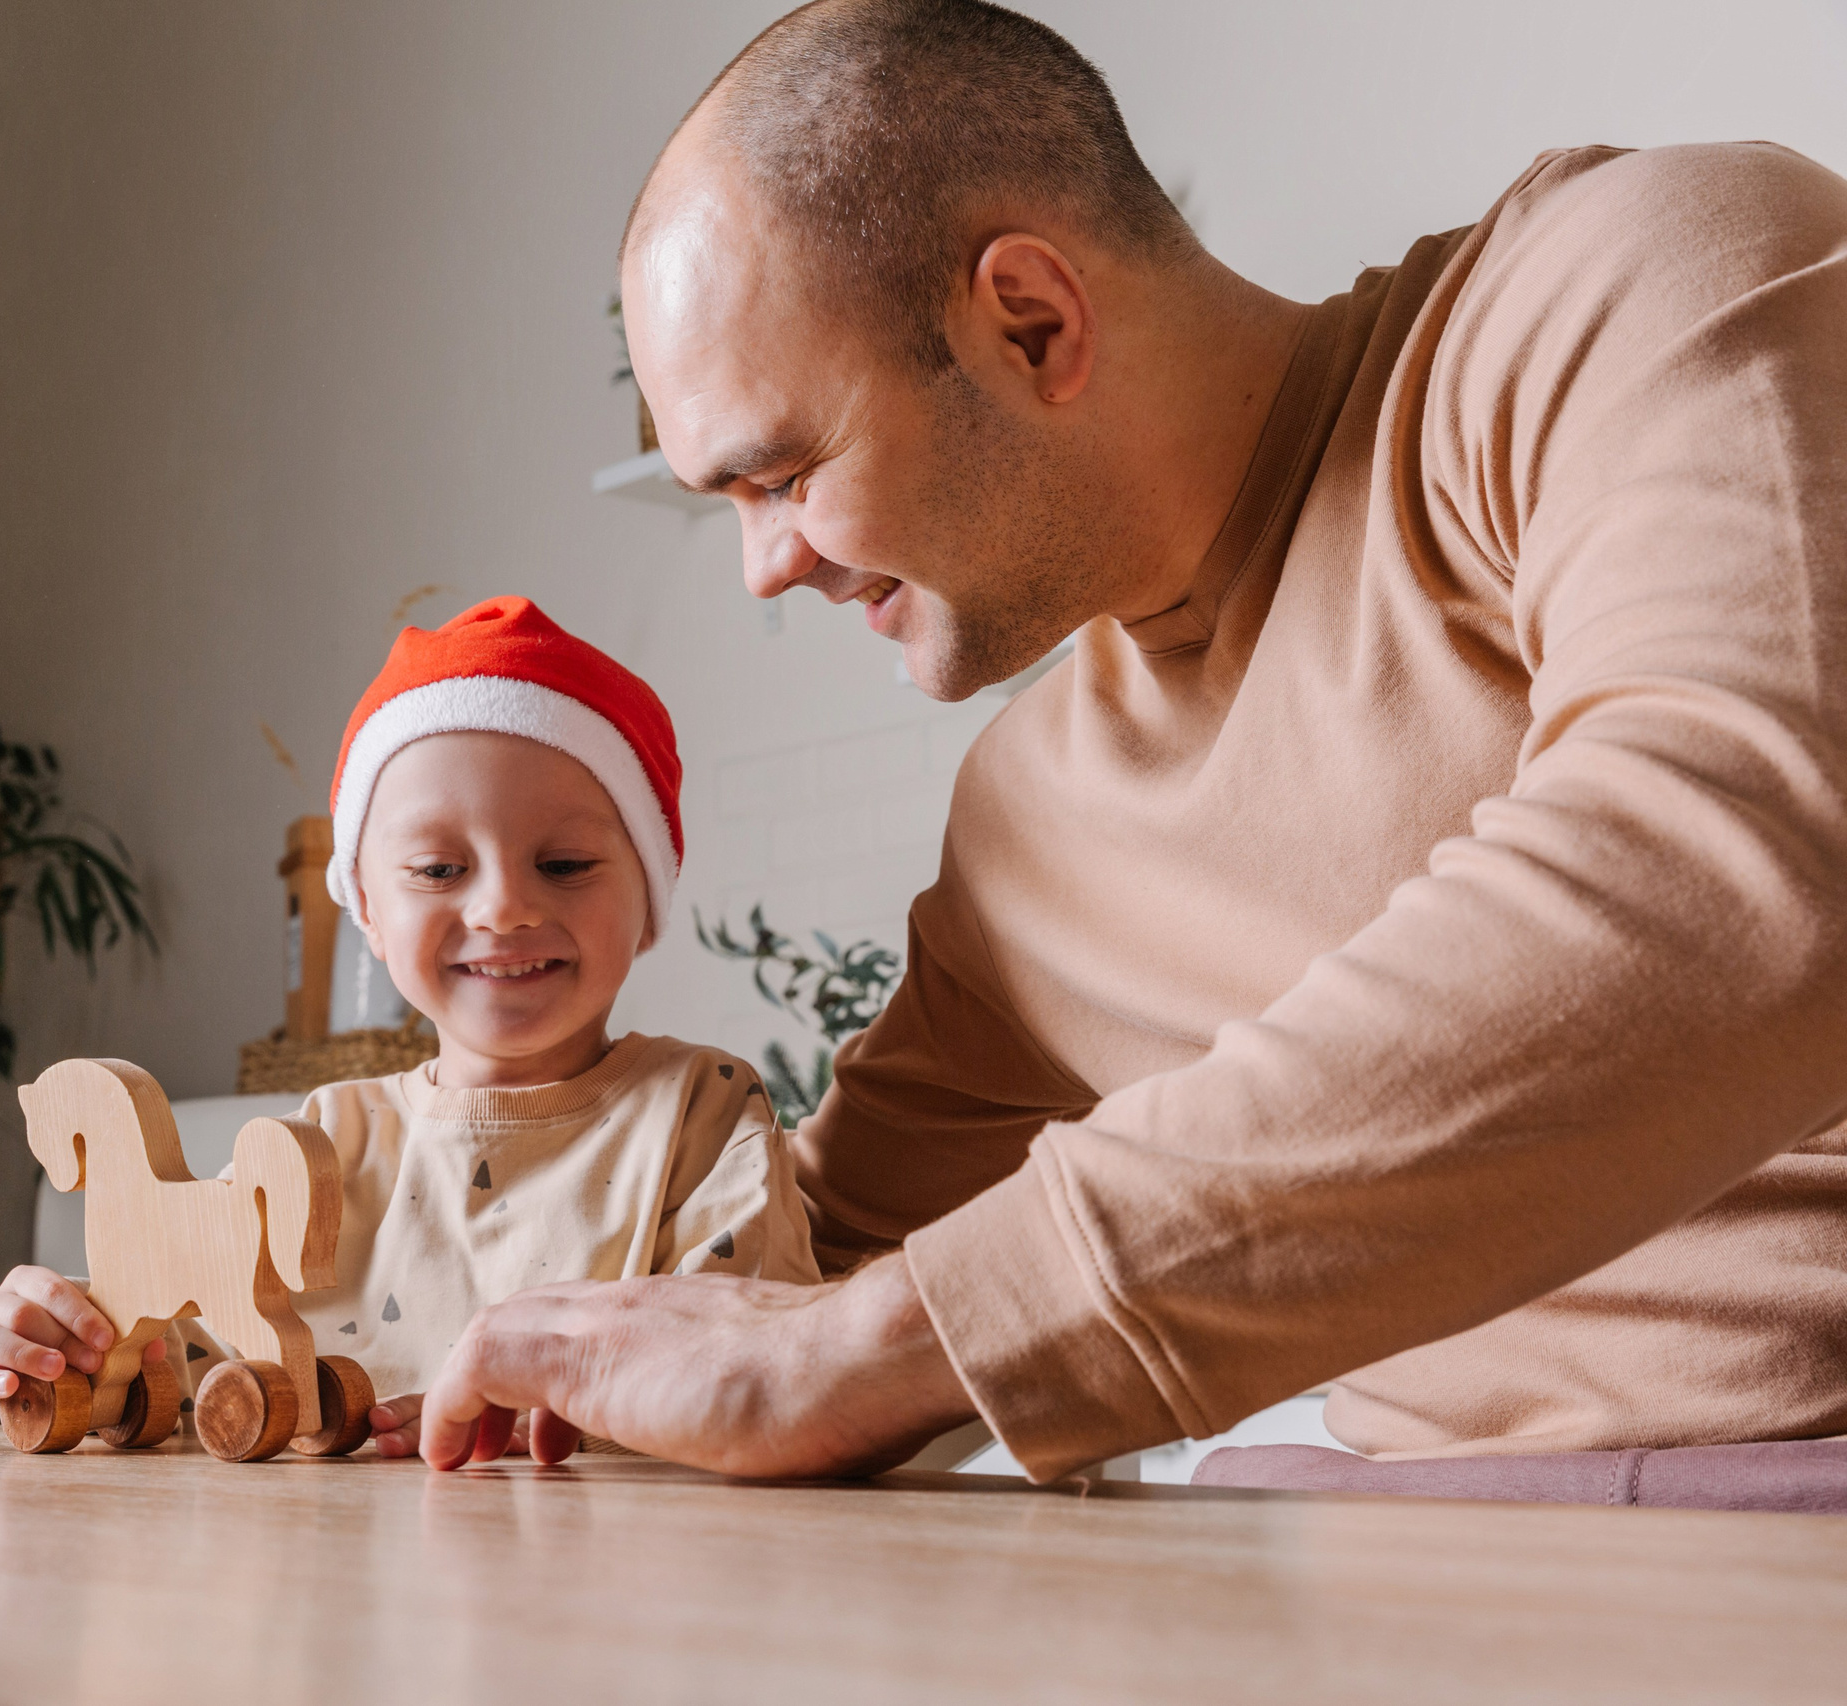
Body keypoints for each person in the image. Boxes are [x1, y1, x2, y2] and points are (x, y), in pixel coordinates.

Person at [417, 0, 1847, 1493]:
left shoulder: (1646, 284)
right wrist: (297, 1353)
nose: (763, 567)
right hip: (1400, 1567)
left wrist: (873, 1347)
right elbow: (769, 1283)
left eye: (782, 473)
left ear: (1031, 321)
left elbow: (1749, 869)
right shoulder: (1030, 824)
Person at [0, 596, 818, 1459]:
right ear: (368, 909)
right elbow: (181, 1382)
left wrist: (561, 1418)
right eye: (440, 869)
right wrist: (64, 1345)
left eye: (564, 865)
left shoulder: (701, 1117)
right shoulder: (325, 1139)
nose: (503, 906)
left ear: (650, 897)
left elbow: (767, 1379)